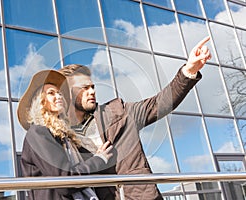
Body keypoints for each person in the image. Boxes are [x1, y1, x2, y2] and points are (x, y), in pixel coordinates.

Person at [58, 36, 212, 200]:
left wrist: (189, 70)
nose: (92, 91)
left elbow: (159, 103)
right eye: (84, 88)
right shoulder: (61, 135)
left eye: (92, 86)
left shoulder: (119, 112)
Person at [17, 69, 114, 200]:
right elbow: (65, 180)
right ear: (40, 101)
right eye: (51, 93)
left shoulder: (64, 136)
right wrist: (99, 159)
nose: (59, 96)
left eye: (60, 93)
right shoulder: (38, 133)